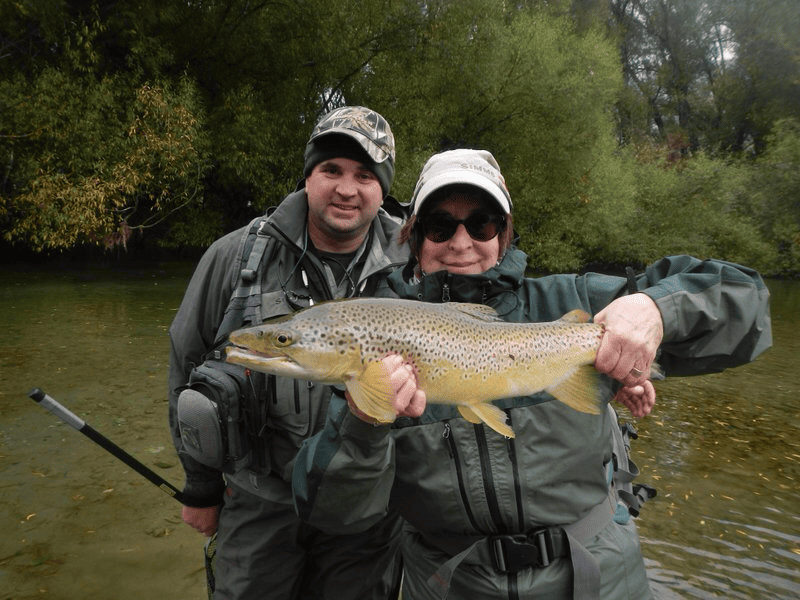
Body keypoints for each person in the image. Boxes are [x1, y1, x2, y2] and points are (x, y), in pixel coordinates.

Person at [292, 149, 773, 599]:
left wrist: (656, 309)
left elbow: (747, 303)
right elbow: (331, 512)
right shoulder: (377, 337)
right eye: (440, 226)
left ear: (503, 234)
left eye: (480, 224)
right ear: (415, 238)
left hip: (598, 578)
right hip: (452, 583)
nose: (462, 243)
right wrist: (363, 424)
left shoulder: (577, 304)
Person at [167, 106, 410, 599]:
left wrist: (616, 309)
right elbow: (186, 366)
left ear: (383, 190)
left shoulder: (417, 259)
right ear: (307, 177)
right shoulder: (234, 255)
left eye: (365, 175)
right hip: (257, 498)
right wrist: (200, 486)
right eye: (332, 170)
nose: (347, 189)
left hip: (367, 510)